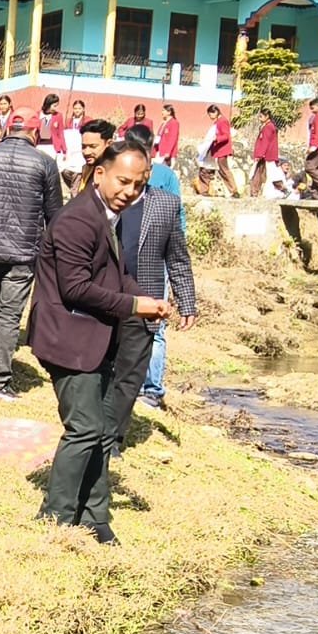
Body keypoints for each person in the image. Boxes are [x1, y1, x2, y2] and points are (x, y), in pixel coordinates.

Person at [28, 141, 172, 544]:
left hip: (95, 336)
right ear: (100, 173)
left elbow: (117, 275)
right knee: (86, 428)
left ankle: (94, 517)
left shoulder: (106, 215)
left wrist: (146, 299)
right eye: (123, 181)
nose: (130, 191)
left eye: (139, 185)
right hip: (68, 337)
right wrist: (134, 304)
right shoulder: (78, 220)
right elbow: (76, 289)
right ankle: (56, 516)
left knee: (102, 430)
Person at [0, 106, 61, 402]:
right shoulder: (45, 163)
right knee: (8, 314)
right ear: (34, 132)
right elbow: (55, 214)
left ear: (8, 129)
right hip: (23, 251)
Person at [106, 140, 195, 439]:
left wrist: (187, 302)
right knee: (103, 369)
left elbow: (177, 257)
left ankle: (113, 437)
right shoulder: (104, 199)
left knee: (130, 376)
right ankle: (94, 430)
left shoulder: (165, 204)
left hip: (145, 300)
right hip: (104, 298)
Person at [194, 104, 239, 197]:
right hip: (215, 150)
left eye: (211, 114)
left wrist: (216, 138)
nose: (210, 117)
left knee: (224, 170)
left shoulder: (222, 121)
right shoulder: (218, 122)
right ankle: (204, 190)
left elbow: (226, 136)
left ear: (215, 112)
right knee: (207, 169)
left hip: (222, 150)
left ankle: (234, 190)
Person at [69, 119, 116, 200]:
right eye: (83, 147)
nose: (86, 152)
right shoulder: (86, 169)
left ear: (109, 144)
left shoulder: (117, 175)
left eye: (93, 146)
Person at [249, 106, 280, 198]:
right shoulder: (266, 126)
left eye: (261, 116)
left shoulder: (268, 127)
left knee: (271, 173)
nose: (259, 118)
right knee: (259, 173)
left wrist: (260, 154)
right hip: (265, 155)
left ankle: (282, 189)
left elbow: (265, 142)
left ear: (267, 116)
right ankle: (254, 192)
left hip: (267, 155)